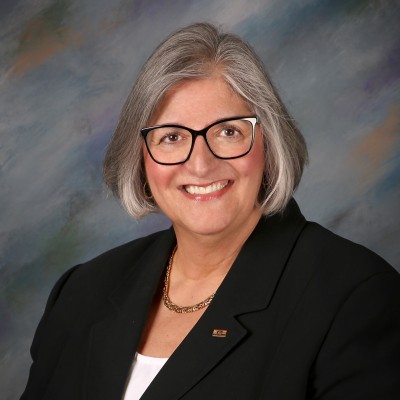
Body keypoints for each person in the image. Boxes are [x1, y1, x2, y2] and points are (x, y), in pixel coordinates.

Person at [21, 22, 400, 400]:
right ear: (140, 158)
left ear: (269, 143)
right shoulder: (82, 291)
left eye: (228, 132)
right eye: (172, 137)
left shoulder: (354, 297)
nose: (200, 165)